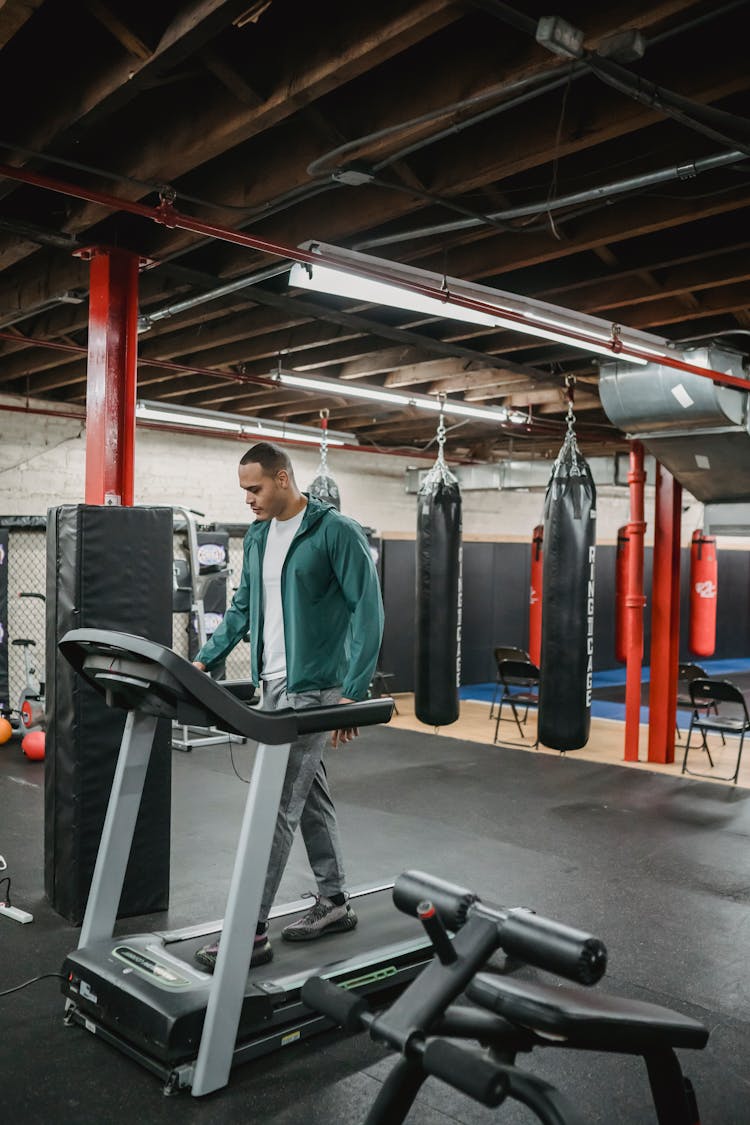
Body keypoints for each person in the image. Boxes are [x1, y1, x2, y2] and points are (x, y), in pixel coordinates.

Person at [192, 441, 384, 971]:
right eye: (243, 491)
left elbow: (367, 609)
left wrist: (353, 690)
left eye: (254, 488)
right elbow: (242, 607)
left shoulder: (334, 532)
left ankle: (249, 932)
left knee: (278, 804)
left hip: (316, 687)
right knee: (310, 794)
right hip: (273, 683)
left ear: (282, 478)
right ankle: (335, 900)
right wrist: (204, 661)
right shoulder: (256, 537)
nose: (248, 499)